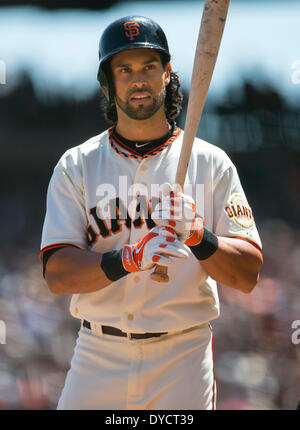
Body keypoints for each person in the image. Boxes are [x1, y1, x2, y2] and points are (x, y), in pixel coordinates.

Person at [39, 15, 263, 410]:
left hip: (182, 355)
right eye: (123, 69)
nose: (137, 79)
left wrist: (199, 235)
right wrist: (127, 258)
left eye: (149, 66)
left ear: (167, 73)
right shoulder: (77, 165)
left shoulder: (212, 163)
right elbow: (57, 274)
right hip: (98, 353)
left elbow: (247, 274)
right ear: (108, 82)